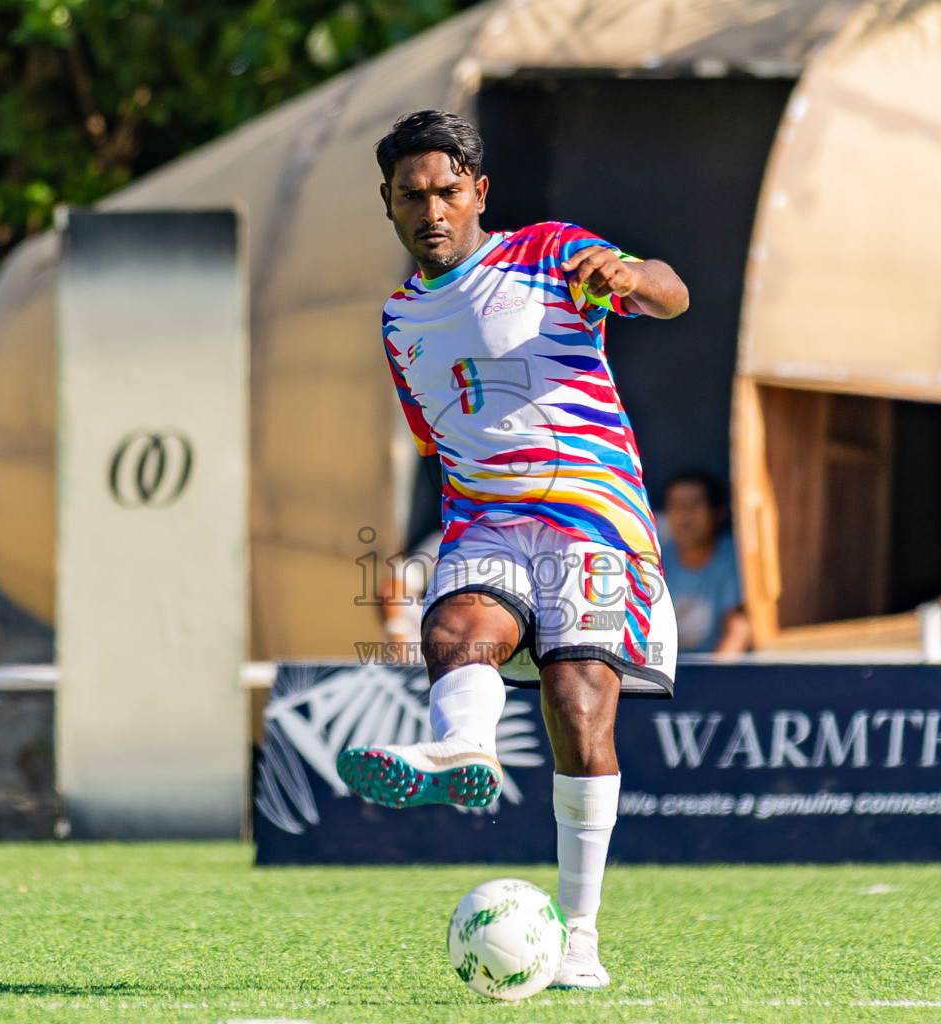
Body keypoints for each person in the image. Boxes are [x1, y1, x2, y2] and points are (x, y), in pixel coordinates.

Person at [337, 110, 689, 990]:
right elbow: (440, 442)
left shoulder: (549, 255)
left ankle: (580, 936)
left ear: (479, 192)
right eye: (411, 196)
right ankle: (464, 747)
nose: (432, 211)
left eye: (448, 192)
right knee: (455, 629)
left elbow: (671, 292)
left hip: (591, 514)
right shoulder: (399, 322)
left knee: (576, 698)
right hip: (487, 519)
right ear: (387, 203)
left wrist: (632, 276)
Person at [662, 471, 751, 654]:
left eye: (694, 505)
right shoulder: (655, 561)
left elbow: (738, 629)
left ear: (718, 513)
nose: (684, 514)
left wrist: (714, 672)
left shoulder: (734, 560)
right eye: (677, 505)